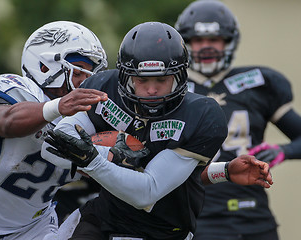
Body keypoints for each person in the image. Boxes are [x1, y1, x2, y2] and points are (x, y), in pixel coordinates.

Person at [41, 21, 272, 240]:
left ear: (180, 76)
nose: (151, 90)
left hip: (162, 230)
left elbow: (147, 192)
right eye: (141, 80)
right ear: (125, 77)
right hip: (103, 218)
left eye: (161, 79)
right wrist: (107, 157)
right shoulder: (104, 88)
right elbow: (52, 148)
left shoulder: (201, 115)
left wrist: (92, 158)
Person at [0, 20, 108, 240]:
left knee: (106, 215)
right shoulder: (17, 89)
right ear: (45, 67)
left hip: (39, 227)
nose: (84, 83)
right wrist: (57, 108)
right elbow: (3, 121)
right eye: (78, 72)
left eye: (90, 75)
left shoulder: (86, 117)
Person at [174, 0, 301, 239]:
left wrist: (283, 150)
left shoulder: (259, 83)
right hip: (195, 215)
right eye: (198, 40)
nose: (206, 47)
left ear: (229, 41)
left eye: (214, 40)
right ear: (186, 44)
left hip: (251, 215)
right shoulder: (170, 89)